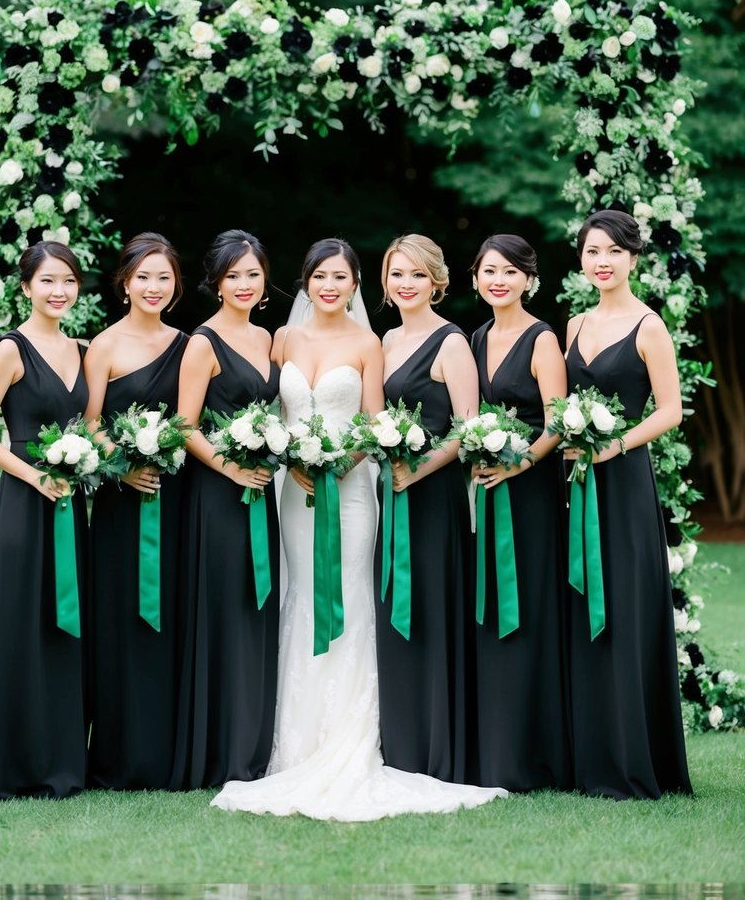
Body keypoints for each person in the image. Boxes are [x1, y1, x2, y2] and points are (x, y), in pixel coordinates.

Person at [212, 238, 507, 820]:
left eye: (340, 277)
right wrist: (289, 462)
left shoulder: (371, 343)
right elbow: (268, 414)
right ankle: (294, 744)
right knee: (298, 598)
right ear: (305, 282)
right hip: (292, 493)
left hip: (350, 494)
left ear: (354, 285)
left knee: (350, 593)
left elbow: (373, 421)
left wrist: (339, 463)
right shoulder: (283, 340)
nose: (329, 285)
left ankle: (353, 737)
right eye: (319, 275)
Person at [565, 208, 691, 799]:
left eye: (613, 252)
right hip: (574, 482)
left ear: (633, 259)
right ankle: (588, 754)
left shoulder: (649, 327)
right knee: (581, 604)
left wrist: (613, 444)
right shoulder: (571, 326)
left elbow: (670, 409)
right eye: (593, 252)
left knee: (626, 607)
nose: (603, 262)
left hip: (624, 481)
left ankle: (637, 757)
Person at [0, 242, 89, 799]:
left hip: (70, 505)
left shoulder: (82, 349)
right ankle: (7, 767)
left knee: (62, 630)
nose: (59, 292)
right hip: (24, 502)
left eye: (69, 282)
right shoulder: (10, 350)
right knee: (19, 627)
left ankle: (59, 764)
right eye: (48, 282)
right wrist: (34, 475)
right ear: (26, 288)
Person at [170, 230, 280, 789]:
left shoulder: (269, 338)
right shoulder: (202, 343)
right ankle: (218, 754)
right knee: (224, 613)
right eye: (233, 275)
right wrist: (232, 468)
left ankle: (254, 745)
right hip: (219, 495)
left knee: (257, 612)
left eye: (252, 274)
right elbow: (185, 426)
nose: (243, 283)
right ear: (216, 283)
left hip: (264, 494)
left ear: (264, 281)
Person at [85, 232, 188, 789]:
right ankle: (119, 755)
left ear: (175, 286)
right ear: (125, 282)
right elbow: (92, 422)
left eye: (164, 278)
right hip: (121, 503)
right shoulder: (103, 345)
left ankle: (169, 752)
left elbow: (194, 419)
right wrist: (120, 464)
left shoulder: (188, 343)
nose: (153, 287)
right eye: (144, 276)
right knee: (118, 619)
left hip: (177, 500)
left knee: (173, 616)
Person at [470, 234, 573, 791]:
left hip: (529, 496)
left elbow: (557, 424)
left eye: (510, 271)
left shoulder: (542, 339)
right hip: (487, 493)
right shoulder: (477, 336)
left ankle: (536, 756)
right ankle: (495, 751)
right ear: (476, 278)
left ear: (529, 279)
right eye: (489, 270)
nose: (499, 280)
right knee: (488, 611)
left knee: (528, 612)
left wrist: (518, 464)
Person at [376, 234, 480, 783]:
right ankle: (401, 742)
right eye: (397, 273)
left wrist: (418, 468)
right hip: (386, 496)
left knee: (432, 612)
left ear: (436, 281)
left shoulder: (452, 343)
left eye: (417, 274)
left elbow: (468, 430)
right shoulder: (384, 340)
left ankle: (439, 748)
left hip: (432, 498)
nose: (406, 283)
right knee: (393, 610)